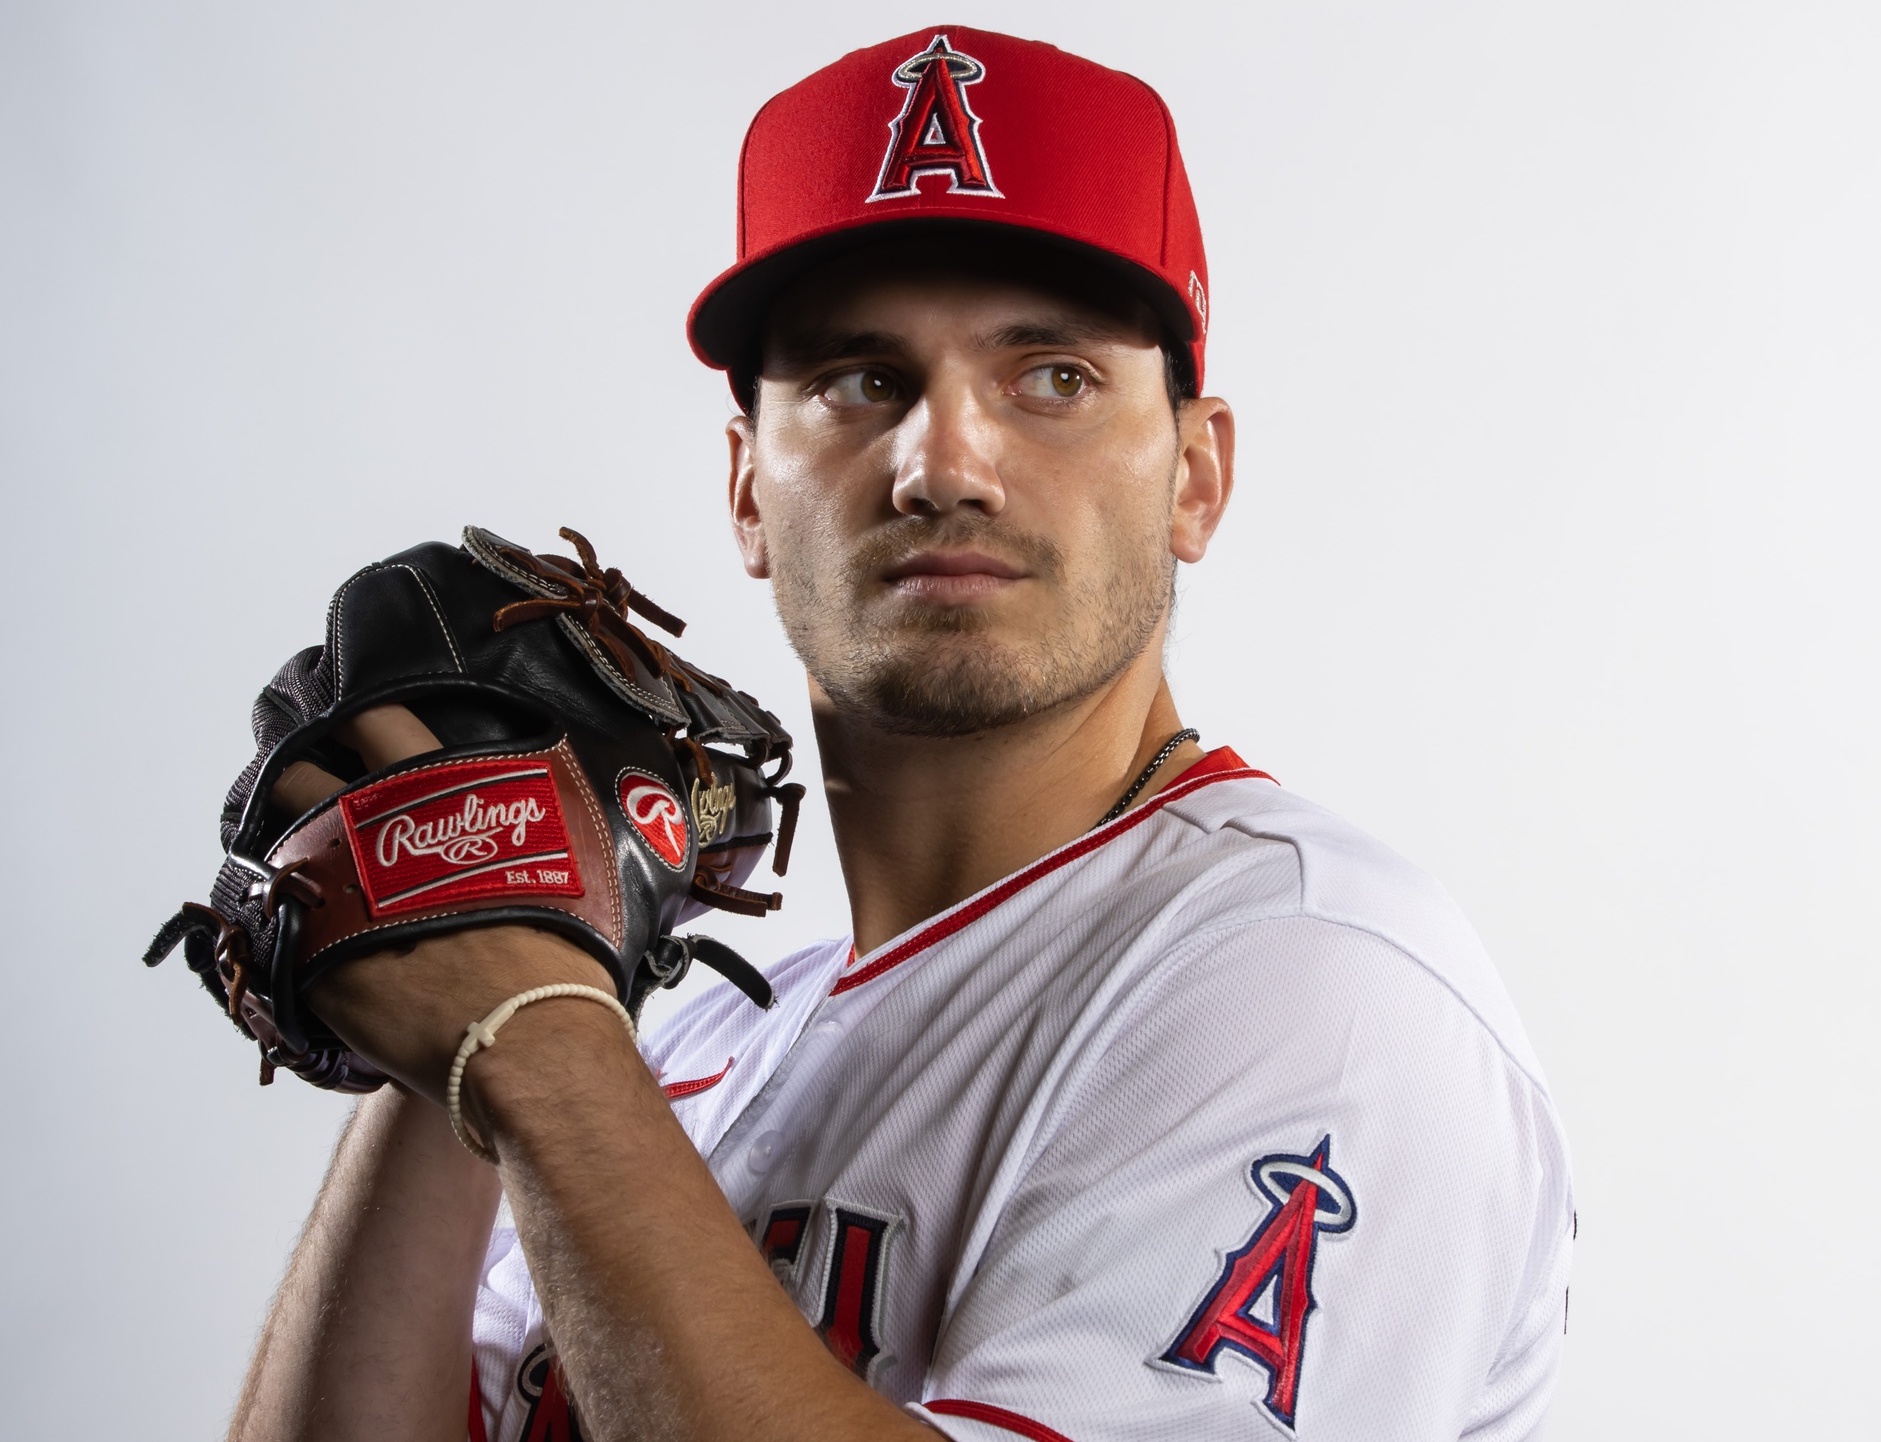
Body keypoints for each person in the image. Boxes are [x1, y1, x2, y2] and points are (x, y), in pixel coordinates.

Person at [228, 26, 1573, 1442]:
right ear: (747, 488)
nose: (945, 464)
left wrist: (536, 1043)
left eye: (1049, 376)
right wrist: (459, 963)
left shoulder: (1316, 988)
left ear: (1195, 475)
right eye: (859, 380)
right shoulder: (677, 1062)